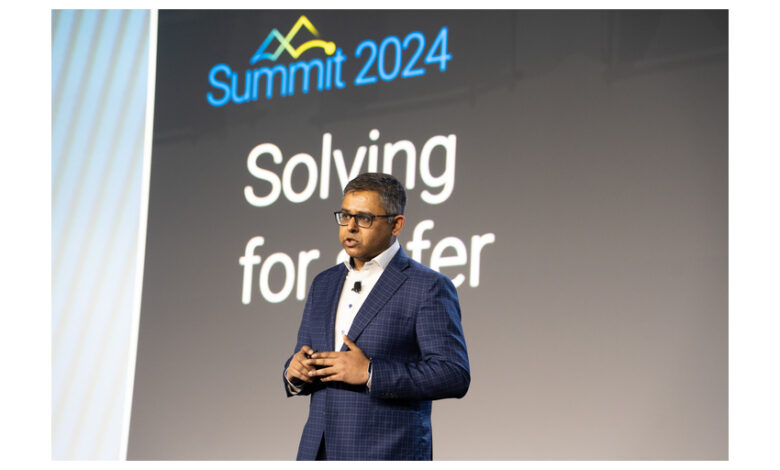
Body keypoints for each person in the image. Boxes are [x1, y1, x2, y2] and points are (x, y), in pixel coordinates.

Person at [283, 172, 470, 460]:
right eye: (345, 216)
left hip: (387, 453)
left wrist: (371, 373)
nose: (351, 227)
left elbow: (453, 374)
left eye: (364, 218)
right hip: (317, 453)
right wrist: (295, 372)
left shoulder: (427, 286)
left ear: (396, 224)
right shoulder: (324, 283)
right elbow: (305, 356)